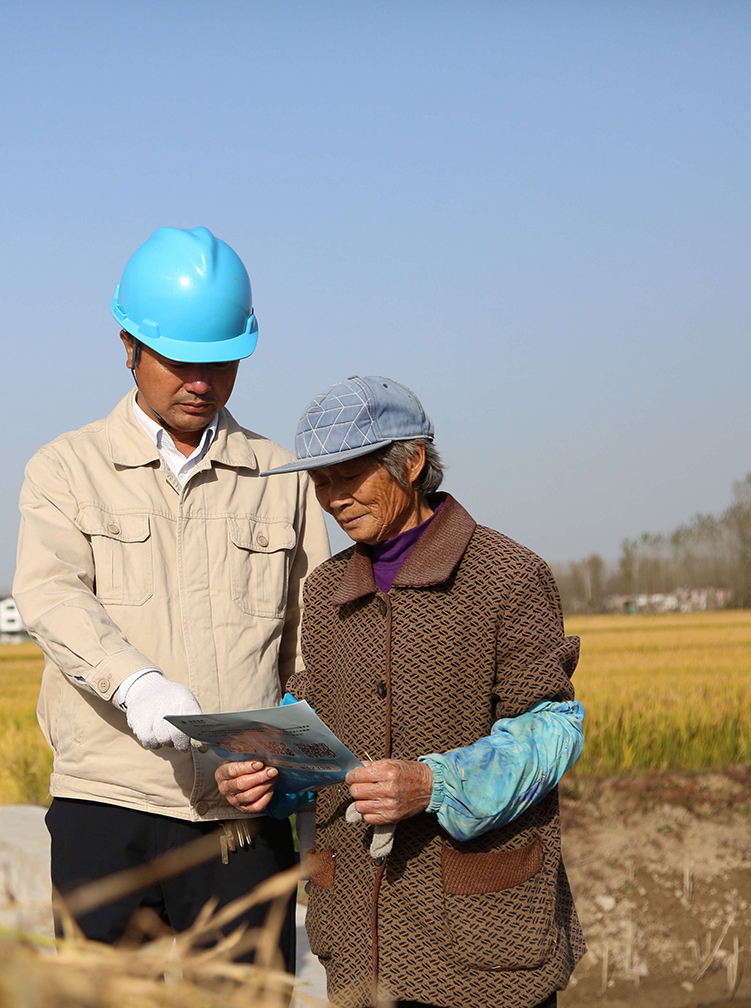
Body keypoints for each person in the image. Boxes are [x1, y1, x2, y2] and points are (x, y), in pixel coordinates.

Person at [13, 226, 331, 961]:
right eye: (181, 361)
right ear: (128, 345)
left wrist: (288, 765)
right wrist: (136, 683)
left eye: (222, 362)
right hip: (108, 806)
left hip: (241, 818)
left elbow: (310, 648)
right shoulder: (66, 469)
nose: (202, 382)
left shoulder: (277, 477)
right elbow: (52, 596)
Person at [216, 376, 586, 1007]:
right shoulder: (327, 591)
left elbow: (553, 731)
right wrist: (265, 776)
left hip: (482, 935)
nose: (332, 500)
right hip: (360, 937)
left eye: (348, 477)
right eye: (321, 482)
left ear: (411, 462)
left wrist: (436, 784)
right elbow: (313, 730)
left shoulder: (509, 575)